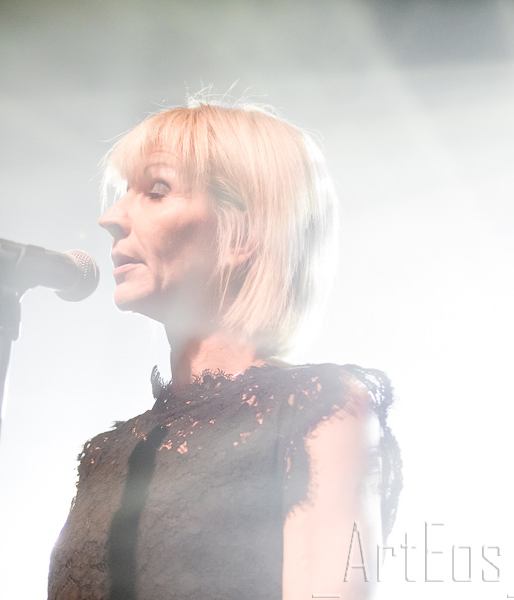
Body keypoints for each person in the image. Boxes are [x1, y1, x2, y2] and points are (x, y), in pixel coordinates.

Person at [48, 98, 402, 600]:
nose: (111, 217)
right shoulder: (109, 456)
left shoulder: (317, 410)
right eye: (124, 191)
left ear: (242, 235)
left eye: (156, 190)